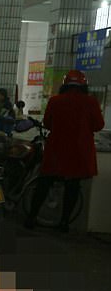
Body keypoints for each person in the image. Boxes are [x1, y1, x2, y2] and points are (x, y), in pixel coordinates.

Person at [25, 70, 105, 232]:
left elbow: (47, 123)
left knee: (44, 183)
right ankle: (64, 223)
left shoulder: (55, 101)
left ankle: (31, 217)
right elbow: (99, 125)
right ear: (84, 85)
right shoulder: (91, 102)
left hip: (56, 149)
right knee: (73, 185)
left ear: (65, 85)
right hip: (79, 151)